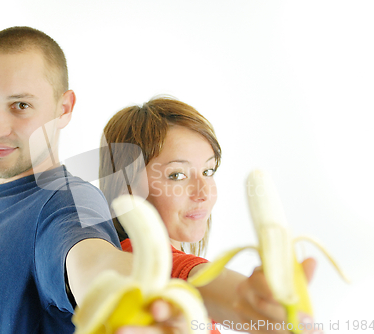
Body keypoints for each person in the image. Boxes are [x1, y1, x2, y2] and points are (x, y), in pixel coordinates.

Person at [0, 27, 189, 334]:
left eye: (20, 105)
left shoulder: (65, 201)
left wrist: (131, 302)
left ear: (64, 108)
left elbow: (91, 264)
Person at [99, 97, 319, 334]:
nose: (204, 192)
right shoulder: (133, 262)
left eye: (208, 171)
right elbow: (188, 276)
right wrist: (248, 302)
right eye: (177, 175)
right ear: (127, 187)